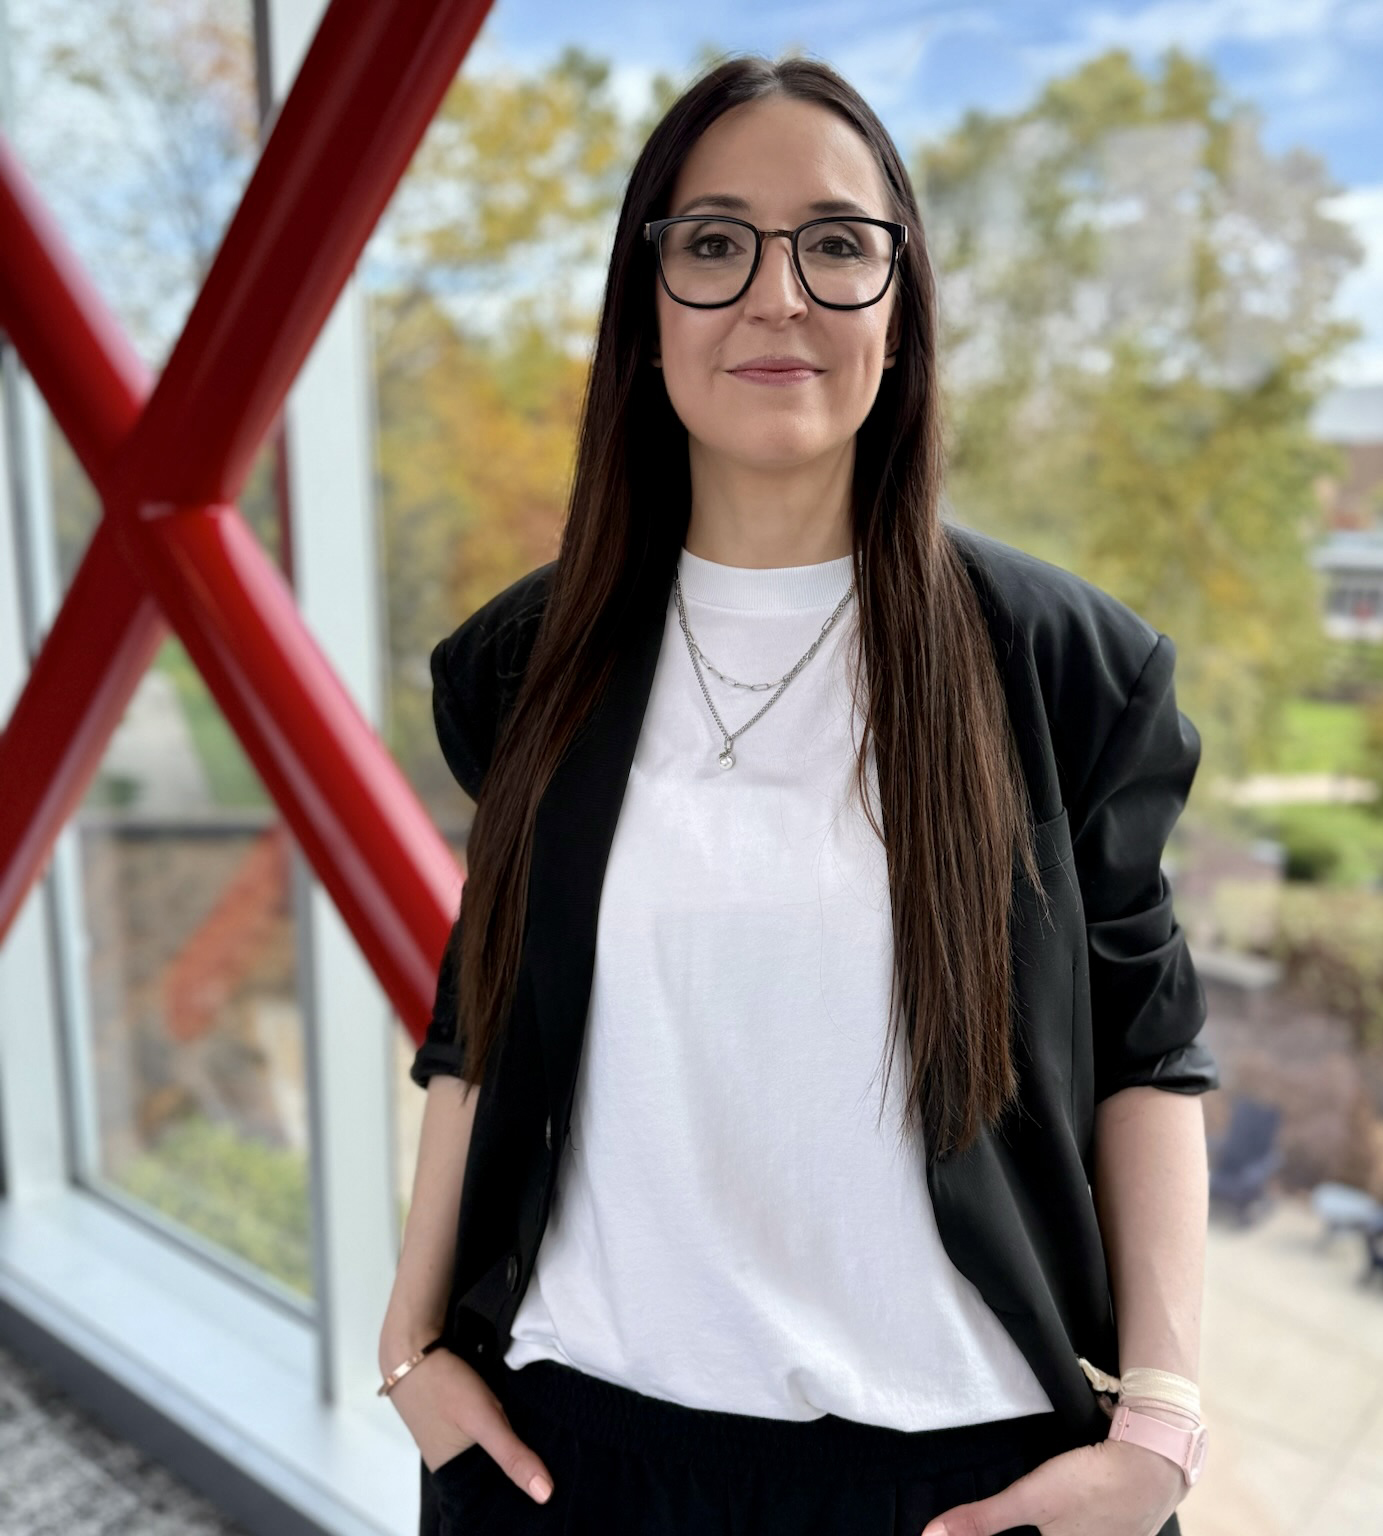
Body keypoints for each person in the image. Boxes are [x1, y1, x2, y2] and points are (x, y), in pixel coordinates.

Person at [377, 51, 1218, 1536]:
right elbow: (481, 1011)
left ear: (901, 306)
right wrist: (411, 1340)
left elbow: (1145, 1053)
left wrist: (1159, 1426)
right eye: (714, 243)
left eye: (837, 243)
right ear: (647, 309)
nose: (778, 294)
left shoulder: (1065, 663)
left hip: (962, 1478)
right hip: (565, 1457)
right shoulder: (525, 659)